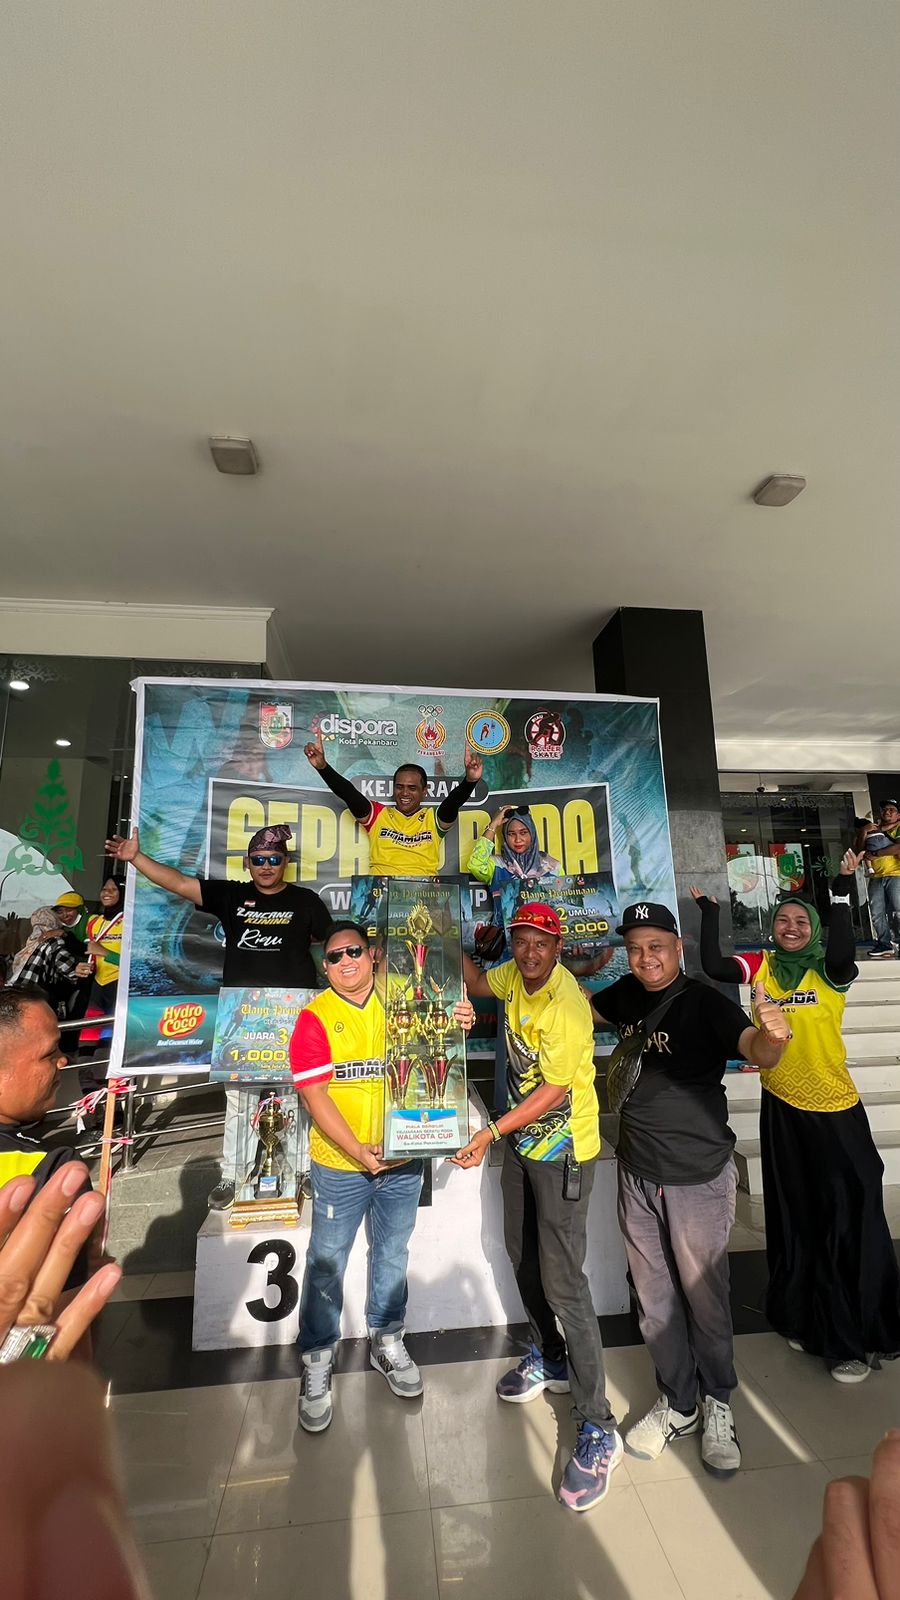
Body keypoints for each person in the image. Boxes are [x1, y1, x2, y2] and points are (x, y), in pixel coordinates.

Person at [586, 901, 790, 1478]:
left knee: (705, 1299)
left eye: (656, 946)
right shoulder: (625, 993)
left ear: (678, 947)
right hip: (636, 1173)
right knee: (654, 1302)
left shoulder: (704, 1001)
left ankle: (718, 1401)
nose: (645, 958)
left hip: (697, 1176)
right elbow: (579, 1009)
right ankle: (679, 1403)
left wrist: (775, 1039)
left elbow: (754, 1048)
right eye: (635, 948)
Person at [692, 853, 900, 1382]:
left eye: (800, 921)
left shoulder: (831, 969)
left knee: (850, 1211)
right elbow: (714, 966)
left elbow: (842, 946)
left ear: (813, 929)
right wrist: (711, 913)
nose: (790, 927)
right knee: (797, 1214)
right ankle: (805, 1317)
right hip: (782, 1109)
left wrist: (838, 892)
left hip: (834, 1110)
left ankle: (860, 1329)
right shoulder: (762, 968)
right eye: (782, 919)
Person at [454, 902, 620, 1514]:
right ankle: (549, 1356)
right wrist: (435, 932)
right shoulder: (512, 976)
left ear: (557, 947)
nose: (529, 952)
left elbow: (553, 1089)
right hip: (525, 1145)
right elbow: (477, 981)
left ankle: (598, 1425)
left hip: (564, 1150)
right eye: (521, 940)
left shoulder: (565, 1003)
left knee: (564, 1283)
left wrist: (490, 1132)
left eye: (540, 943)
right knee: (520, 1254)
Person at [289, 922, 474, 1433]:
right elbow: (315, 1097)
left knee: (392, 1253)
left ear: (372, 955)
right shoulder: (313, 1018)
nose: (344, 961)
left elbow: (443, 1040)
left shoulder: (407, 999)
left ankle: (387, 1339)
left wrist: (459, 1016)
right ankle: (317, 1358)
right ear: (325, 967)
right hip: (340, 1165)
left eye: (353, 951)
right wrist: (359, 1151)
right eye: (333, 957)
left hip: (403, 1161)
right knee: (327, 1261)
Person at [106, 822, 332, 1208]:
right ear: (247, 863)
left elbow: (335, 940)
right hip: (241, 1016)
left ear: (285, 862)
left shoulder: (306, 901)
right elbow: (179, 883)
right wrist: (137, 858)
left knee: (297, 1095)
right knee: (239, 1100)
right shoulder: (231, 895)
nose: (266, 867)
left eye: (273, 860)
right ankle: (233, 1175)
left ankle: (303, 1170)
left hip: (293, 1014)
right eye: (258, 860)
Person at [304, 731, 483, 875]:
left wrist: (470, 781)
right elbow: (349, 794)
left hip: (423, 894)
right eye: (399, 787)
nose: (404, 793)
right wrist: (323, 768)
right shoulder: (378, 815)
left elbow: (453, 803)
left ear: (424, 791)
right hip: (381, 894)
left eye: (412, 788)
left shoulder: (433, 818)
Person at [75, 877, 124, 1097]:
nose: (107, 892)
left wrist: (105, 952)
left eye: (113, 889)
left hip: (118, 989)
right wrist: (81, 968)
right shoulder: (94, 922)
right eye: (104, 888)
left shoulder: (131, 921)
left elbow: (137, 962)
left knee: (106, 1052)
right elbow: (89, 954)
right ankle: (90, 1104)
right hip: (97, 989)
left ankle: (113, 1109)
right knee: (85, 1048)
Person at [467, 803, 560, 888]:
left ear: (532, 833)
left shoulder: (552, 866)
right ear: (505, 836)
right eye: (511, 834)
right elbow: (475, 865)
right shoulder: (497, 866)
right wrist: (493, 825)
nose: (518, 840)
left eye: (523, 833)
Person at [8, 908, 80, 1017]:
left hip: (16, 996)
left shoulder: (30, 942)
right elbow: (71, 971)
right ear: (54, 921)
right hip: (35, 999)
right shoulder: (54, 941)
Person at [856, 799, 900, 957]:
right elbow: (859, 851)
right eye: (884, 809)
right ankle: (884, 944)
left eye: (891, 809)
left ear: (898, 815)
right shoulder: (872, 828)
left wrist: (876, 854)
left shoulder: (898, 827)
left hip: (896, 874)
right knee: (876, 912)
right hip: (876, 876)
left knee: (898, 910)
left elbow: (898, 847)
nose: (887, 812)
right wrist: (863, 831)